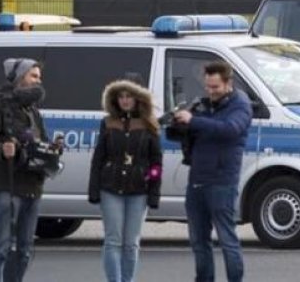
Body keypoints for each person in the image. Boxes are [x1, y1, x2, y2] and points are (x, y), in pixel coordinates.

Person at [169, 62, 251, 282]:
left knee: (227, 239)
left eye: (216, 87)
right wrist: (178, 123)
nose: (211, 92)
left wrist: (194, 120)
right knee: (198, 240)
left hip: (222, 181)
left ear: (228, 83)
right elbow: (179, 134)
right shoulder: (203, 104)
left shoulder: (240, 105)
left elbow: (230, 129)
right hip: (197, 178)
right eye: (208, 86)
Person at [0, 58, 54, 282]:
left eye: (39, 77)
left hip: (32, 186)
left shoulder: (34, 112)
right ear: (20, 78)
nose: (38, 81)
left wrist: (52, 150)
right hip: (5, 185)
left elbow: (41, 141)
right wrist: (1, 149)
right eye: (33, 76)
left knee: (24, 250)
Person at [88, 79, 162, 282]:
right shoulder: (108, 122)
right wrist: (93, 189)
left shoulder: (149, 124)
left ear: (138, 98)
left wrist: (153, 191)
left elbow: (156, 163)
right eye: (121, 96)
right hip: (110, 188)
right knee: (113, 241)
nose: (125, 100)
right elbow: (98, 158)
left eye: (129, 96)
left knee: (131, 243)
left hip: (139, 190)